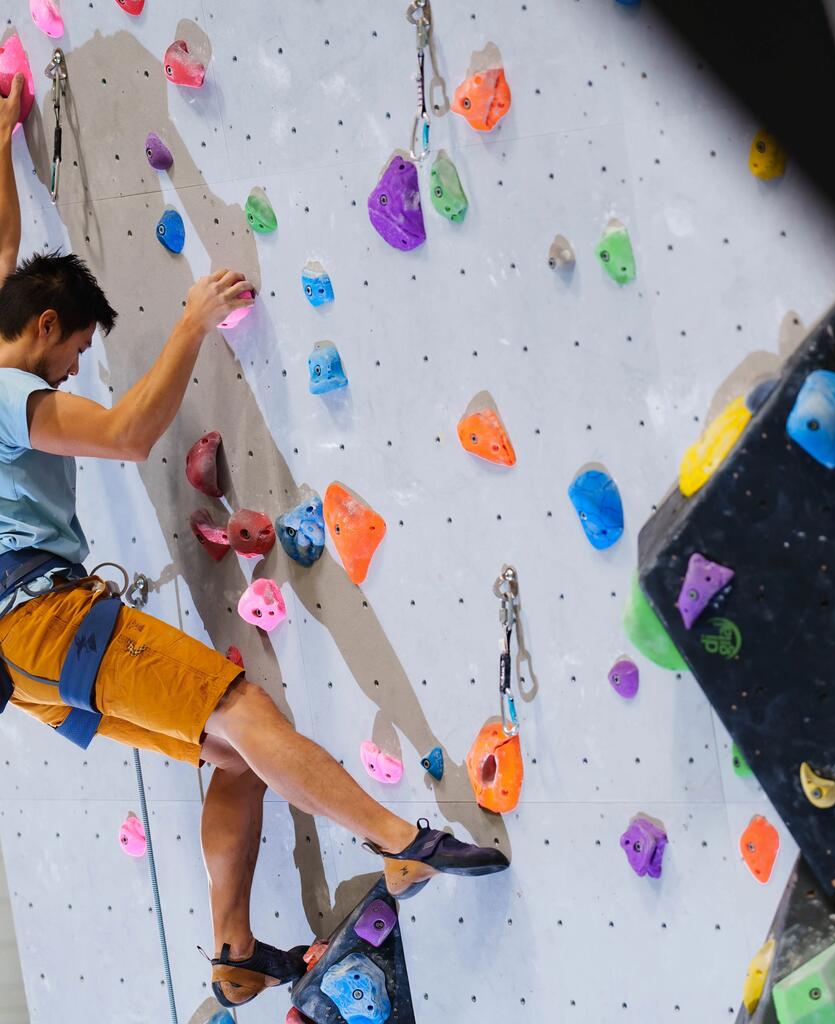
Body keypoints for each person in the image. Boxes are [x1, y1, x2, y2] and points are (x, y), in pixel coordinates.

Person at [0, 75, 508, 1009]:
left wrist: (1, 148)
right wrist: (191, 324)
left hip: (25, 663)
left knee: (232, 760)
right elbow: (121, 437)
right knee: (243, 715)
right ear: (42, 330)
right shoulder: (3, 389)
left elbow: (1, 257)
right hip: (46, 620)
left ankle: (234, 953)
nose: (74, 369)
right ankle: (399, 843)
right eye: (72, 354)